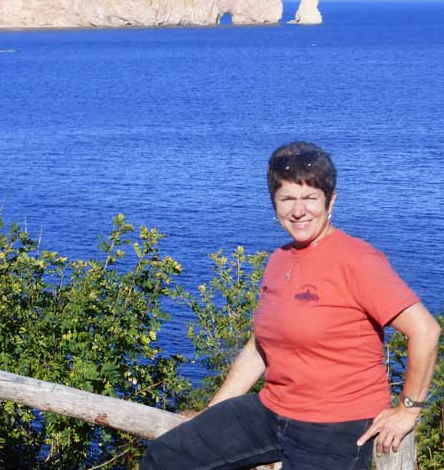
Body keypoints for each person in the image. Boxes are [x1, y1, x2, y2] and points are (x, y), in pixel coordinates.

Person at [142, 141, 440, 470]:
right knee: (165, 457)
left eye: (310, 198)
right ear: (274, 203)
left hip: (337, 427)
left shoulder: (356, 260)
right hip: (273, 411)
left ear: (331, 201)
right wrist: (211, 416)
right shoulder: (279, 260)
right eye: (287, 199)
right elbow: (259, 349)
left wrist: (408, 410)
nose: (299, 211)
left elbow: (425, 330)